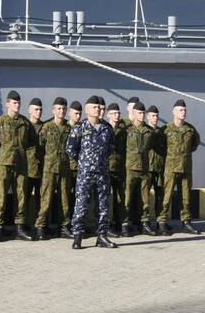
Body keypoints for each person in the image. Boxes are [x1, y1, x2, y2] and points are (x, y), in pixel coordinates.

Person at [66, 95, 117, 249]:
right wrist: (84, 162)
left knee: (103, 206)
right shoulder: (79, 128)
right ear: (87, 109)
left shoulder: (107, 128)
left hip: (102, 174)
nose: (98, 109)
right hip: (85, 174)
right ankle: (77, 237)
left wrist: (99, 162)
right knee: (81, 205)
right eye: (95, 107)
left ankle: (102, 236)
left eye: (100, 107)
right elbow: (70, 149)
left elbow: (111, 148)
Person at [0, 90, 37, 241]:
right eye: (14, 103)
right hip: (4, 164)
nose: (17, 105)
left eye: (18, 103)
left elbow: (32, 141)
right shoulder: (0, 122)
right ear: (7, 104)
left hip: (21, 165)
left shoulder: (25, 123)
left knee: (21, 196)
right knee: (1, 195)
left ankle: (19, 227)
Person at [160, 99, 202, 234]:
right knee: (167, 196)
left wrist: (184, 155)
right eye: (180, 110)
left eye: (184, 110)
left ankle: (186, 222)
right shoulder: (166, 129)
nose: (183, 112)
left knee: (186, 196)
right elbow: (159, 145)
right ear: (173, 112)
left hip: (186, 167)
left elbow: (195, 144)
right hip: (171, 168)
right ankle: (162, 222)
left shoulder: (190, 129)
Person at [38, 97, 73, 239]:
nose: (61, 111)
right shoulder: (46, 127)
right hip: (49, 168)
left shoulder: (69, 128)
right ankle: (40, 226)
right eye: (59, 108)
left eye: (64, 109)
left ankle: (64, 226)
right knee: (46, 199)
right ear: (53, 110)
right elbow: (40, 148)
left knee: (65, 199)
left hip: (64, 168)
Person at [123, 101, 155, 236]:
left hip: (144, 169)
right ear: (133, 113)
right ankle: (125, 223)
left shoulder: (149, 131)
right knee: (127, 198)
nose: (142, 115)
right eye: (139, 113)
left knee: (145, 198)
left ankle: (144, 223)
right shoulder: (126, 129)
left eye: (143, 113)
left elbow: (155, 147)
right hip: (129, 168)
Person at [106, 102, 128, 237]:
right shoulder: (105, 129)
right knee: (107, 198)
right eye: (114, 113)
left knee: (120, 197)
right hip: (107, 168)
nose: (117, 115)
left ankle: (121, 223)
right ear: (108, 115)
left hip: (120, 168)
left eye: (118, 113)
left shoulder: (124, 131)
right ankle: (107, 224)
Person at [25, 97, 45, 233]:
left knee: (41, 198)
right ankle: (23, 225)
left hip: (42, 168)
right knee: (23, 198)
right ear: (30, 111)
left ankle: (40, 225)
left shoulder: (45, 127)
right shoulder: (25, 126)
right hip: (26, 168)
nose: (38, 112)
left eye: (40, 110)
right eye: (36, 109)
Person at [146, 105, 166, 224]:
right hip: (147, 168)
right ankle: (145, 221)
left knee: (160, 196)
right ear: (148, 116)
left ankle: (160, 221)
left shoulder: (161, 133)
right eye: (153, 116)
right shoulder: (145, 131)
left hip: (159, 168)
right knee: (145, 197)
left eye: (157, 116)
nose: (155, 118)